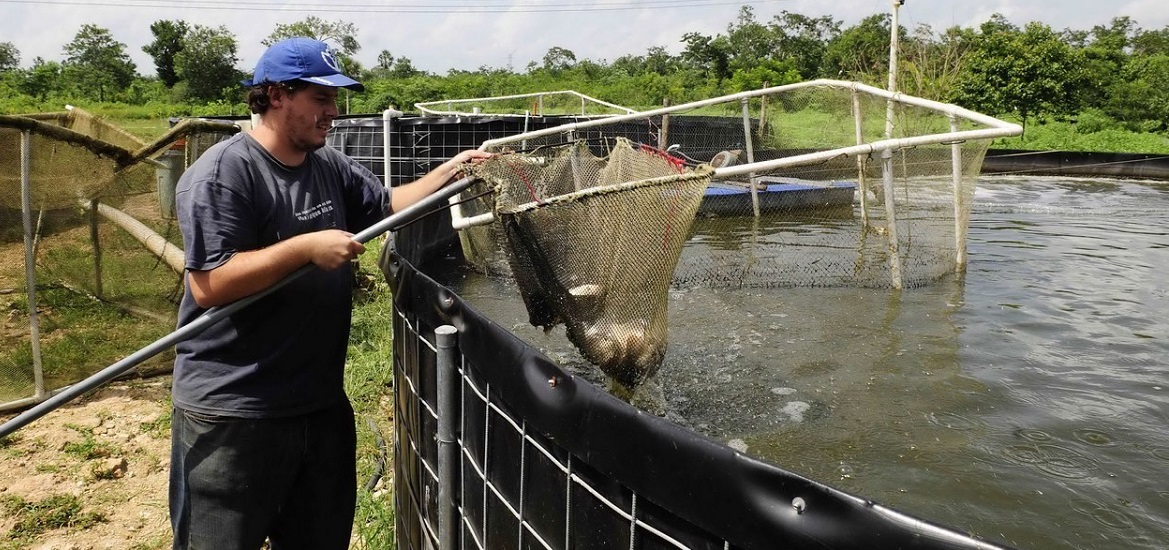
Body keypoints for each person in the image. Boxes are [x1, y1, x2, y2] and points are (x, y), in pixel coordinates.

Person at [169, 37, 489, 550]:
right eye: (321, 99)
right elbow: (210, 285)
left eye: (335, 100)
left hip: (318, 404)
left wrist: (453, 172)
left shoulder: (326, 165)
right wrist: (305, 249)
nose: (333, 113)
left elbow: (386, 205)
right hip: (234, 412)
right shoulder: (224, 173)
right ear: (276, 95)